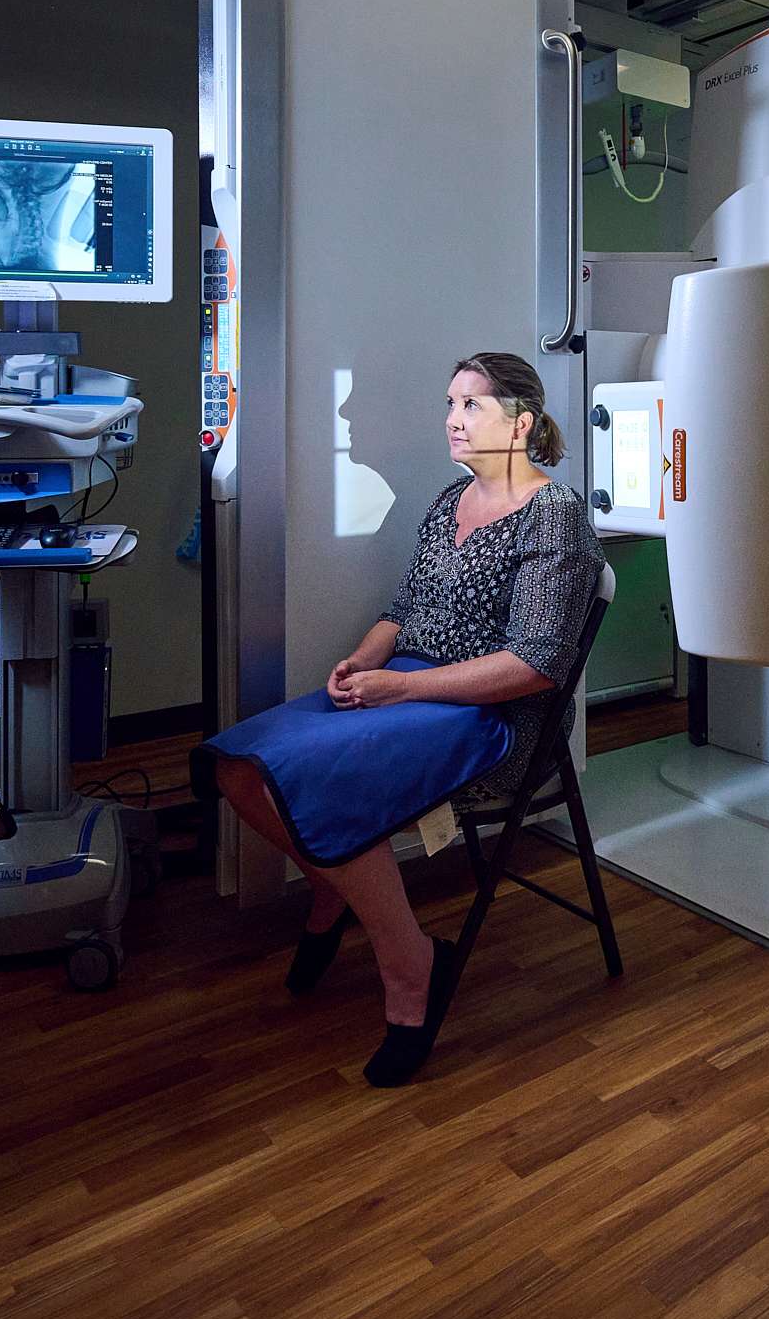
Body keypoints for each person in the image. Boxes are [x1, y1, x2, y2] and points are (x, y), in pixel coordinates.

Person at [205, 352, 605, 1086]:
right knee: (236, 765)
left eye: (472, 405)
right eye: (450, 401)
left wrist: (401, 692)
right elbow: (404, 610)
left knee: (329, 784)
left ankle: (410, 963)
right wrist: (362, 662)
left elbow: (536, 665)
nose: (453, 418)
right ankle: (336, 880)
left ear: (519, 422)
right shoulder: (448, 500)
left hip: (491, 722)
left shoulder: (556, 517)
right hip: (405, 691)